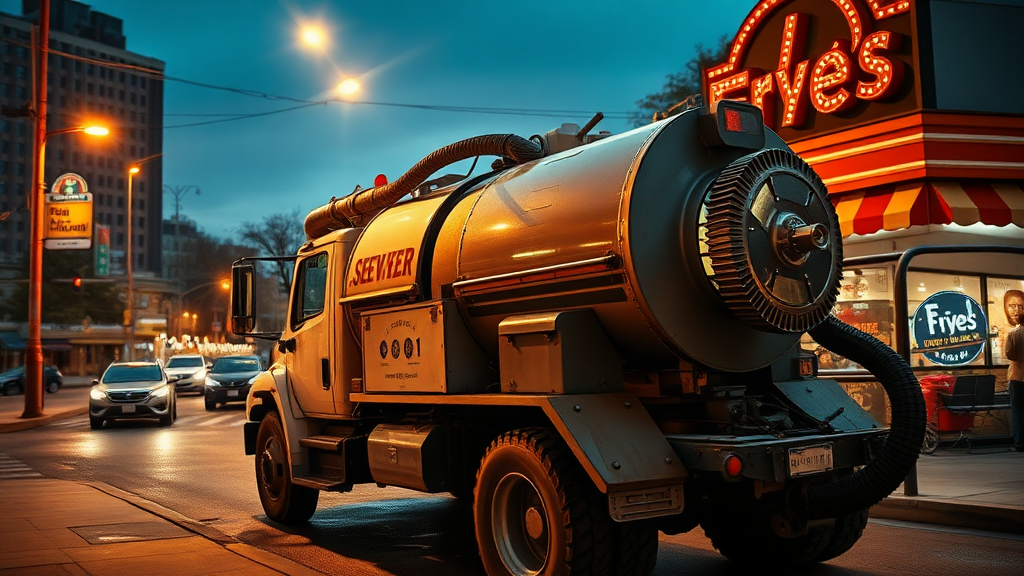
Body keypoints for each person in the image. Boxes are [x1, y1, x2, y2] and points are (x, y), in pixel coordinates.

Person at [1005, 290, 1024, 451]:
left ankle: (1020, 442)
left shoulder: (1014, 334)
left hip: (1017, 377)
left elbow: (1010, 355)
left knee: (1018, 412)